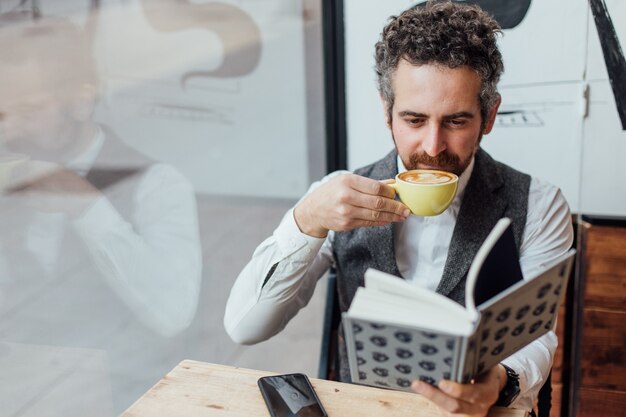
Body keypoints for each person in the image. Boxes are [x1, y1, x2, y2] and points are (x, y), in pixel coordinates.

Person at [224, 1, 573, 416]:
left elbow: (534, 337)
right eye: (414, 119)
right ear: (386, 112)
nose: (432, 146)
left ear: (490, 115)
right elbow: (245, 327)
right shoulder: (336, 198)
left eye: (457, 121)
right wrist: (306, 222)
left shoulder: (538, 203)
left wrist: (501, 381)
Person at [0, 12, 202, 415]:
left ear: (80, 100)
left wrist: (87, 205)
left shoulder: (157, 184)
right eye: (0, 115)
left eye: (28, 111)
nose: (8, 131)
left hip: (122, 395)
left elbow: (173, 315)